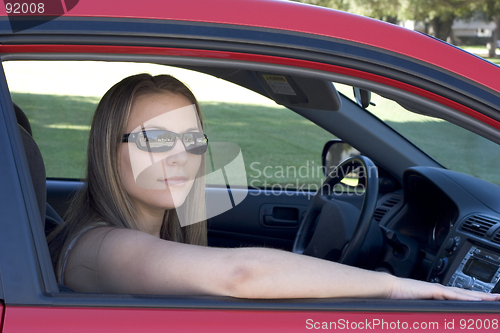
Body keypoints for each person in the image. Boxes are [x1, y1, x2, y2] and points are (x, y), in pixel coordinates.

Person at [48, 73, 499, 301]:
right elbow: (241, 275)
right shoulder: (101, 246)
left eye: (191, 138)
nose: (179, 154)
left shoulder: (140, 236)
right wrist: (399, 288)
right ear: (110, 148)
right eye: (156, 138)